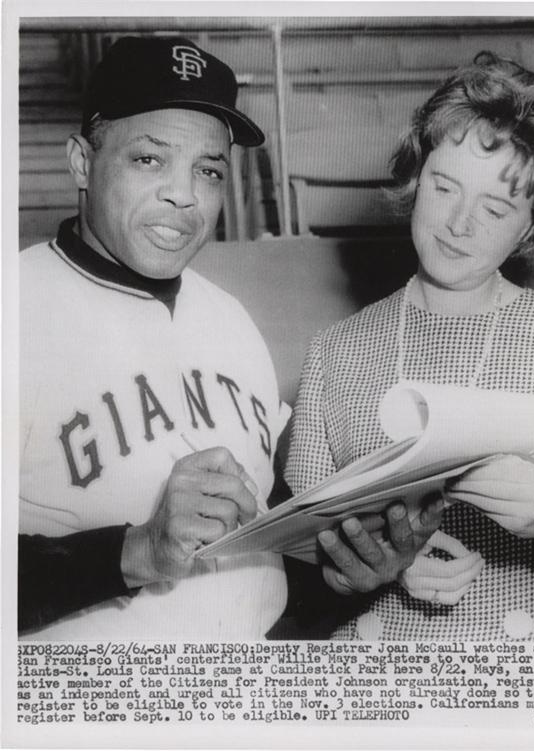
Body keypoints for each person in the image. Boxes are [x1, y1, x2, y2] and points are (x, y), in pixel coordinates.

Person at [19, 35, 441, 639]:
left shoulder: (232, 319)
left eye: (209, 170)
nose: (184, 194)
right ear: (82, 161)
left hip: (248, 688)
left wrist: (346, 572)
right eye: (149, 159)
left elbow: (256, 567)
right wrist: (137, 551)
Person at [285, 51, 534, 642]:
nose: (459, 223)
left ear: (530, 226)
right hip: (382, 681)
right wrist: (379, 568)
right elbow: (298, 549)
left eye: (495, 207)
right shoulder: (335, 351)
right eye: (444, 186)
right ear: (416, 179)